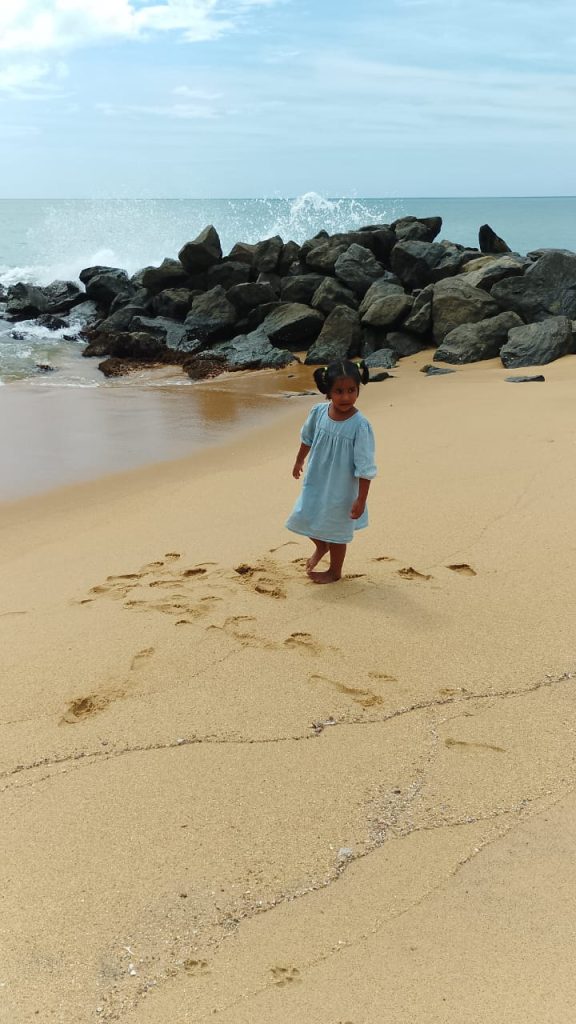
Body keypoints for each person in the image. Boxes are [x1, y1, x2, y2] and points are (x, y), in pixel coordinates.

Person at [286, 359, 377, 584]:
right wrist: (299, 461)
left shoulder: (359, 425)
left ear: (358, 389)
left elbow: (365, 467)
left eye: (351, 390)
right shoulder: (318, 412)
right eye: (338, 391)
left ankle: (335, 571)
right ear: (327, 391)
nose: (345, 397)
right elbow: (307, 438)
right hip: (317, 480)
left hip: (342, 489)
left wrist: (361, 499)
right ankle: (320, 547)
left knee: (336, 531)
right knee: (306, 515)